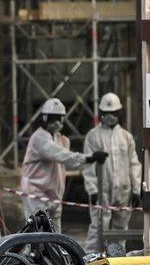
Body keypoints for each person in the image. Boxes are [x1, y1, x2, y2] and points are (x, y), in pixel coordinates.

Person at [20, 98, 107, 233]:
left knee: (55, 235)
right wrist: (89, 158)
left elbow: (67, 161)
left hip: (54, 195)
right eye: (55, 118)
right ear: (45, 117)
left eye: (60, 118)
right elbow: (62, 155)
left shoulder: (59, 139)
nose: (58, 122)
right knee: (36, 235)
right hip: (35, 193)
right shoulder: (39, 138)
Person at [83, 92, 142, 252]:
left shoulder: (126, 137)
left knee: (120, 230)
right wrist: (92, 190)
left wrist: (136, 190)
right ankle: (89, 262)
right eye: (107, 113)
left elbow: (134, 164)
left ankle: (117, 262)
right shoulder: (93, 136)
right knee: (98, 228)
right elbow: (87, 166)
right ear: (101, 113)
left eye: (114, 113)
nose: (110, 116)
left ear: (119, 113)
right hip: (102, 192)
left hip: (124, 191)